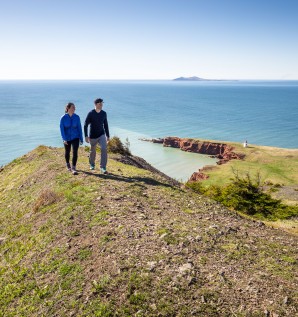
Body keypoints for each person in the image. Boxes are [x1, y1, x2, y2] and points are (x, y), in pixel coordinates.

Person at [84, 98, 110, 173]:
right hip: (93, 135)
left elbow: (106, 125)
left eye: (102, 104)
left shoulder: (104, 113)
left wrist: (108, 136)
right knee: (93, 151)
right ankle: (92, 164)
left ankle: (103, 167)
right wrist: (86, 136)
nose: (101, 105)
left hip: (101, 134)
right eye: (100, 104)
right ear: (95, 104)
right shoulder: (91, 113)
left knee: (104, 149)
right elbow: (85, 125)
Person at [60, 102, 83, 175]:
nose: (74, 109)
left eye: (74, 107)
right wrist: (64, 139)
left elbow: (79, 128)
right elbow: (62, 129)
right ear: (68, 108)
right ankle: (67, 164)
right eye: (73, 107)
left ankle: (73, 167)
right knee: (67, 151)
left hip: (75, 137)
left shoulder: (77, 117)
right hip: (66, 138)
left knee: (75, 152)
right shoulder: (63, 118)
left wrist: (81, 138)